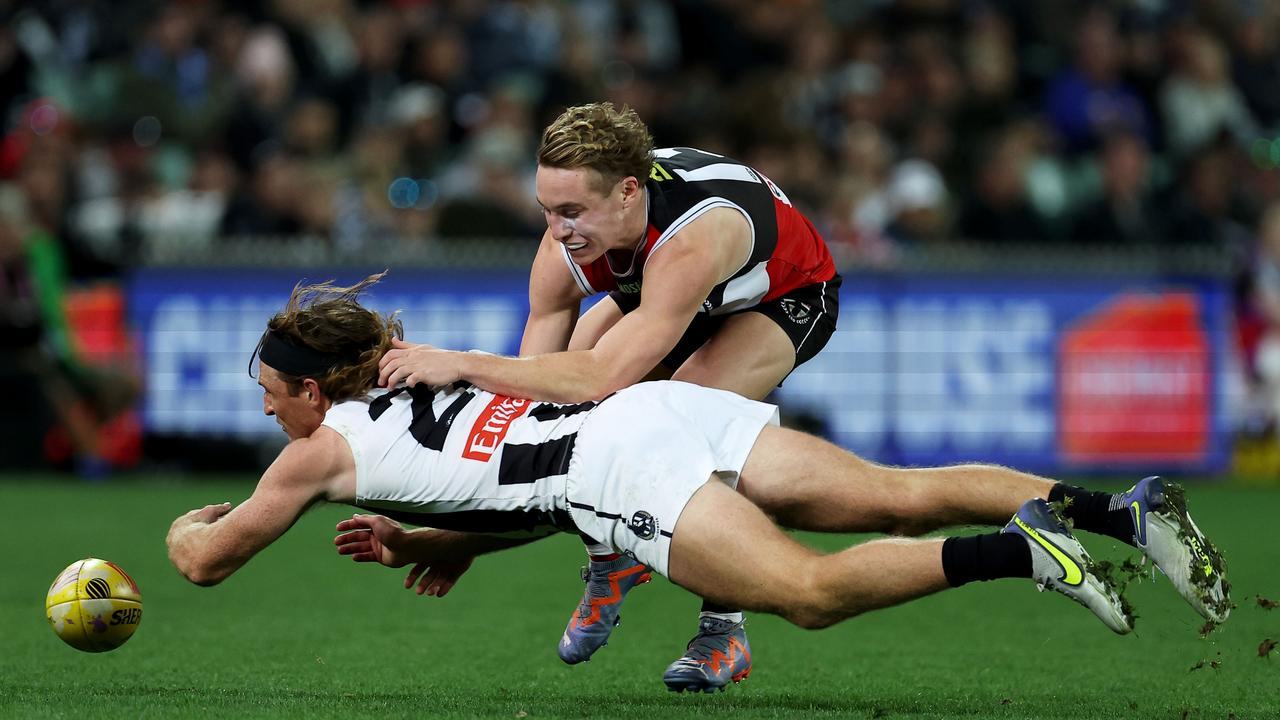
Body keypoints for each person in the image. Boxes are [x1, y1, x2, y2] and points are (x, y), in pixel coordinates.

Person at [166, 274, 1231, 693]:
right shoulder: (411, 377)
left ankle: (1024, 550)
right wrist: (435, 540)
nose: (266, 411)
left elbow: (207, 564)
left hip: (620, 464)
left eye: (271, 392)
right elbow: (518, 482)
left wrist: (190, 524)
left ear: (313, 387)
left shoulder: (314, 452)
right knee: (900, 490)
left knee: (807, 595)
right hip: (651, 413)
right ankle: (1113, 511)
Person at [375, 102, 843, 690]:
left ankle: (723, 631)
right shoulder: (568, 240)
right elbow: (533, 409)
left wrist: (462, 362)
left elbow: (603, 374)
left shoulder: (693, 236)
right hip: (667, 291)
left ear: (627, 192)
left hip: (782, 296)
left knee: (687, 426)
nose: (558, 231)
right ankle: (610, 556)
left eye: (572, 212)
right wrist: (466, 538)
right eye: (546, 210)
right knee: (568, 417)